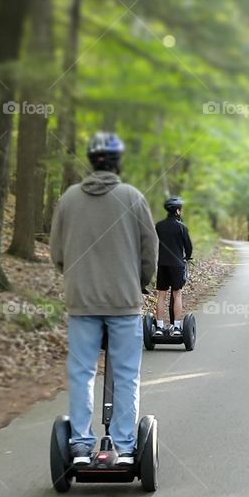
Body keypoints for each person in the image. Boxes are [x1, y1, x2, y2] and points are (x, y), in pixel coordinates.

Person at [50, 131, 158, 467]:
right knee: (126, 374)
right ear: (117, 162)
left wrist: (77, 280)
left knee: (82, 373)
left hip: (82, 302)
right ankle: (125, 448)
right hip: (124, 302)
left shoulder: (68, 199)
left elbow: (57, 252)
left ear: (91, 160)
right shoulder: (133, 197)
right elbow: (149, 251)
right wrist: (138, 283)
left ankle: (81, 446)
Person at [155, 196, 193, 333]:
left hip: (162, 264)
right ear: (177, 211)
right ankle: (177, 326)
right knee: (177, 294)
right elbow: (188, 247)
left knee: (161, 295)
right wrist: (187, 257)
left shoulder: (158, 226)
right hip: (177, 264)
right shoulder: (181, 227)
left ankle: (159, 326)